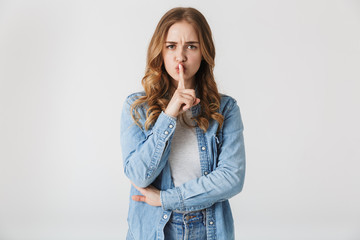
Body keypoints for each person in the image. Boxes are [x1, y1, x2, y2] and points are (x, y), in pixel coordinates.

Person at [120, 7, 246, 240]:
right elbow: (139, 175)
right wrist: (168, 116)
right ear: (161, 52)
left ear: (204, 52)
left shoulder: (225, 109)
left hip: (208, 229)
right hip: (156, 230)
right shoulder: (137, 107)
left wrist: (166, 199)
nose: (181, 56)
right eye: (171, 46)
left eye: (191, 46)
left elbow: (232, 178)